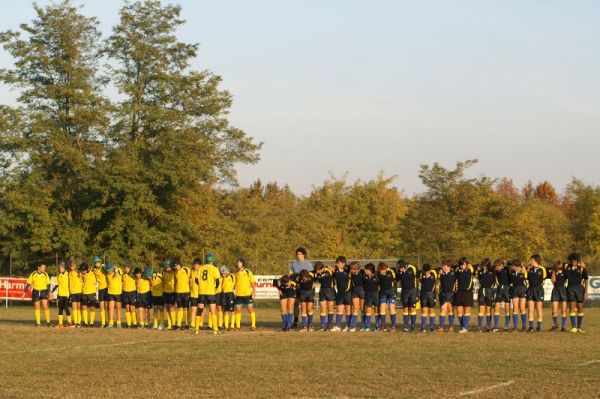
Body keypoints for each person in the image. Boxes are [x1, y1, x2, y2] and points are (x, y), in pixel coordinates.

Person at [196, 253, 221, 335]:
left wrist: (201, 286)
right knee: (213, 311)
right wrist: (215, 288)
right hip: (210, 292)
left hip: (201, 292)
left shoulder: (201, 268)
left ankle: (196, 329)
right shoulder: (214, 268)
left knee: (199, 310)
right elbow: (217, 281)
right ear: (213, 260)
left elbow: (196, 280)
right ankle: (215, 329)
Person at [565, 252, 589, 333]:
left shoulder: (582, 268)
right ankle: (574, 327)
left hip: (579, 288)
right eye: (571, 260)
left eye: (574, 260)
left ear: (577, 260)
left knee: (580, 307)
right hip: (570, 288)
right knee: (572, 307)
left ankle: (579, 327)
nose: (573, 262)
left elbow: (586, 279)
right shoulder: (567, 267)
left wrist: (586, 292)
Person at [289, 247, 312, 328]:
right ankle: (295, 322)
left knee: (306, 306)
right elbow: (291, 275)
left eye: (300, 254)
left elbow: (310, 276)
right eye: (297, 254)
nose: (298, 256)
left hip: (305, 288)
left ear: (304, 255)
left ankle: (308, 323)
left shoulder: (308, 264)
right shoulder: (293, 264)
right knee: (295, 304)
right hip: (296, 287)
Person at [233, 257, 256, 331]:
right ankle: (238, 326)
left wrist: (254, 292)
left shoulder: (248, 272)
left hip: (247, 294)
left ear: (243, 263)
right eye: (237, 262)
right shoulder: (236, 273)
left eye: (239, 262)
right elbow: (234, 284)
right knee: (238, 310)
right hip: (239, 295)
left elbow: (253, 283)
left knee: (250, 309)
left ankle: (253, 325)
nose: (238, 264)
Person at [526, 254, 547, 332]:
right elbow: (527, 278)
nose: (530, 261)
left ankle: (538, 327)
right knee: (530, 309)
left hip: (539, 290)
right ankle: (531, 327)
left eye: (531, 260)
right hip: (531, 289)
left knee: (539, 309)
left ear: (535, 261)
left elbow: (543, 279)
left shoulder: (542, 269)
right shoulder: (529, 269)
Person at [396, 259, 418, 332]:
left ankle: (413, 326)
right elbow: (398, 278)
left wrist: (403, 273)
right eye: (399, 268)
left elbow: (409, 278)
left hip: (412, 290)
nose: (400, 269)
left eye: (401, 267)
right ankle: (406, 326)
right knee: (405, 308)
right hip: (404, 291)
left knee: (412, 308)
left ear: (405, 266)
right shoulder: (400, 271)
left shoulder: (412, 268)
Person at [454, 258, 474, 333]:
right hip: (459, 292)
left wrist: (470, 266)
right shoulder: (457, 271)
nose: (463, 266)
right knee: (459, 312)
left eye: (464, 264)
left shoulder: (470, 270)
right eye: (461, 264)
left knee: (467, 311)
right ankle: (463, 327)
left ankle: (465, 328)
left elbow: (476, 266)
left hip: (467, 293)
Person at [332, 256, 351, 332]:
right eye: (337, 263)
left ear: (344, 263)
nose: (337, 264)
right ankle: (338, 326)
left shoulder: (349, 270)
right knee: (339, 310)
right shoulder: (335, 271)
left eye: (339, 263)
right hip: (339, 293)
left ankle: (347, 326)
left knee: (348, 310)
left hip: (348, 293)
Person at [476, 259, 495, 332]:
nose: (484, 266)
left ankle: (488, 326)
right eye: (483, 265)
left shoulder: (492, 272)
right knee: (481, 309)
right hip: (481, 291)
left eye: (485, 265)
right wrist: (477, 270)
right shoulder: (480, 272)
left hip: (489, 291)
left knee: (488, 309)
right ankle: (479, 326)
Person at [314, 261, 335, 331]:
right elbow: (318, 280)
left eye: (318, 269)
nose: (317, 271)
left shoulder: (329, 270)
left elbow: (334, 271)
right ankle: (322, 326)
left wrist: (330, 268)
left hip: (330, 290)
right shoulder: (317, 274)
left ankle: (329, 326)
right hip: (322, 290)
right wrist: (318, 274)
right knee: (323, 308)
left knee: (330, 308)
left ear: (322, 268)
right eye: (316, 270)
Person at [377, 262, 397, 332]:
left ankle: (393, 326)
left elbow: (392, 279)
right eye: (380, 270)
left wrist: (385, 272)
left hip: (391, 292)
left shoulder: (390, 272)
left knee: (391, 309)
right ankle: (383, 326)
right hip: (383, 292)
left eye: (382, 269)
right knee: (382, 308)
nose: (381, 271)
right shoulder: (378, 274)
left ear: (386, 268)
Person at [492, 259, 511, 332]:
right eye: (496, 266)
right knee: (496, 306)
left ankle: (506, 326)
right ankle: (496, 326)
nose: (496, 268)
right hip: (499, 289)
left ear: (502, 266)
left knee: (507, 308)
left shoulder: (507, 269)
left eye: (497, 266)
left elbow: (511, 265)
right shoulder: (495, 271)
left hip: (507, 289)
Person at [51, 261, 72, 328]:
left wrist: (70, 293)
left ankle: (69, 323)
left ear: (65, 268)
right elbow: (57, 284)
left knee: (66, 308)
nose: (60, 268)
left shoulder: (68, 274)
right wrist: (52, 291)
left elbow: (71, 283)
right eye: (60, 267)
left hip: (67, 294)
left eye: (62, 267)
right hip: (60, 294)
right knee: (60, 308)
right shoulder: (59, 275)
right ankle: (60, 324)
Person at [437, 260, 456, 332]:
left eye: (444, 266)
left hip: (452, 294)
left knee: (451, 310)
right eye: (442, 266)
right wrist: (439, 271)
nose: (442, 267)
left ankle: (451, 326)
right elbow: (433, 270)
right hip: (443, 294)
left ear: (448, 266)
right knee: (443, 310)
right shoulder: (440, 273)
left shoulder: (454, 273)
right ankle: (441, 326)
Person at [509, 261, 528, 332]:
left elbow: (526, 277)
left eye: (513, 266)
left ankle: (524, 326)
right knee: (515, 308)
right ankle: (515, 327)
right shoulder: (512, 272)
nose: (511, 267)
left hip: (522, 289)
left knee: (522, 308)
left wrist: (523, 269)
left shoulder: (523, 271)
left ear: (516, 266)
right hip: (514, 289)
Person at [550, 260, 568, 332]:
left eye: (560, 264)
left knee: (563, 310)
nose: (559, 266)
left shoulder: (565, 272)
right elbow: (553, 281)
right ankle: (555, 325)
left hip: (563, 290)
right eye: (557, 264)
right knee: (554, 311)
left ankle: (563, 327)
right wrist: (554, 272)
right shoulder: (553, 272)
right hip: (556, 290)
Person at [419, 263, 437, 333]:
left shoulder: (434, 273)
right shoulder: (421, 275)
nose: (426, 273)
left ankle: (432, 327)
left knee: (431, 311)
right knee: (424, 311)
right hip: (423, 294)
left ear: (430, 270)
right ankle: (423, 327)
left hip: (431, 294)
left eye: (427, 271)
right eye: (425, 271)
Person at [174, 259, 191, 330]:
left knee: (186, 308)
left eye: (177, 265)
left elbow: (191, 278)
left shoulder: (187, 270)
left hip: (186, 292)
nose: (176, 267)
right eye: (175, 266)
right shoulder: (175, 272)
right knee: (180, 308)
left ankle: (187, 324)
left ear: (180, 265)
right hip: (178, 292)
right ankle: (178, 324)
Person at [363, 263, 380, 332]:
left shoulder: (377, 276)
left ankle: (377, 325)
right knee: (368, 310)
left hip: (375, 294)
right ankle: (367, 326)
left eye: (367, 269)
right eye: (365, 269)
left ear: (371, 270)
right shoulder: (364, 276)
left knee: (376, 309)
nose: (365, 271)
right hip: (368, 294)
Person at [105, 263, 123, 328]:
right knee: (110, 308)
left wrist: (115, 268)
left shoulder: (119, 270)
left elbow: (118, 273)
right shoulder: (107, 274)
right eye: (107, 270)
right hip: (110, 293)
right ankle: (111, 323)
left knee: (118, 308)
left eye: (109, 270)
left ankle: (119, 323)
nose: (108, 271)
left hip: (118, 293)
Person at [218, 266, 236, 331]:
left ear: (227, 271)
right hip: (223, 294)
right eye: (222, 273)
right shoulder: (221, 277)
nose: (223, 274)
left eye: (224, 273)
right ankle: (226, 326)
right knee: (225, 310)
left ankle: (232, 326)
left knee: (232, 310)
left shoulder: (232, 276)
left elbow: (234, 284)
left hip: (230, 294)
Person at [92, 256, 108, 328]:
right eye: (96, 262)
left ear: (100, 262)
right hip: (100, 289)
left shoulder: (103, 266)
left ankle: (108, 321)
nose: (97, 264)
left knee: (106, 306)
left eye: (98, 262)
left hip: (107, 288)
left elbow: (110, 268)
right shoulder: (94, 269)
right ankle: (103, 322)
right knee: (101, 306)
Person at [349, 261, 365, 332]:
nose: (351, 270)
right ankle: (353, 326)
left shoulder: (363, 273)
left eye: (352, 269)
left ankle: (363, 326)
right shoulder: (351, 274)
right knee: (355, 308)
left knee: (362, 308)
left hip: (362, 291)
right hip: (355, 291)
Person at [162, 260, 176, 330]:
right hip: (165, 292)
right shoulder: (163, 272)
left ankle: (173, 324)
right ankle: (169, 324)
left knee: (171, 307)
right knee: (167, 308)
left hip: (172, 292)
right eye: (166, 267)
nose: (167, 268)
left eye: (168, 267)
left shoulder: (174, 272)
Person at [122, 263, 137, 328]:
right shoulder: (123, 275)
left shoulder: (133, 275)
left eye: (127, 268)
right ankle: (129, 323)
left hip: (132, 293)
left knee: (132, 308)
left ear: (130, 268)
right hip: (125, 293)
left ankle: (135, 323)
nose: (126, 269)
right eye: (125, 268)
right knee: (127, 308)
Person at [68, 260, 83, 328]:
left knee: (79, 307)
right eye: (71, 266)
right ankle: (75, 322)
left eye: (73, 265)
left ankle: (79, 322)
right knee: (74, 307)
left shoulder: (78, 272)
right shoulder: (69, 273)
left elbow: (81, 276)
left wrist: (80, 274)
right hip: (72, 292)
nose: (72, 267)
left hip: (79, 291)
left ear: (75, 265)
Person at [189, 259, 201, 331]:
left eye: (197, 265)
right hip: (193, 294)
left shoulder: (202, 271)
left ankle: (200, 324)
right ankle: (192, 325)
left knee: (200, 310)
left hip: (201, 294)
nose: (195, 266)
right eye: (194, 264)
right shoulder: (191, 271)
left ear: (200, 265)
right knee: (193, 310)